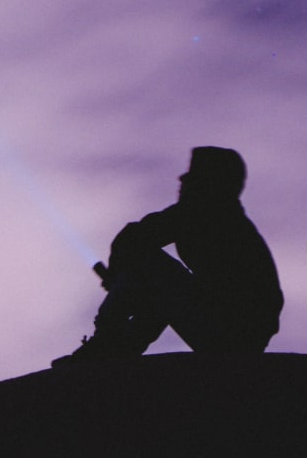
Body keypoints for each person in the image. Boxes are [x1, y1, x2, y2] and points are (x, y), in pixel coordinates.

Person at [59, 147, 283, 362]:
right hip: (234, 332)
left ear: (209, 182)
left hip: (232, 334)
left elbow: (133, 238)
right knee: (158, 285)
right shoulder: (222, 217)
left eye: (192, 176)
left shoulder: (206, 212)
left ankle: (107, 343)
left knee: (148, 263)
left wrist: (119, 279)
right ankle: (117, 347)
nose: (181, 180)